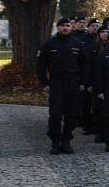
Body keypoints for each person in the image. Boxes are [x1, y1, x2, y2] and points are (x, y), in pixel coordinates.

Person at [36, 17, 88, 154]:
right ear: (58, 27)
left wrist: (83, 82)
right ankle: (55, 142)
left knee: (71, 114)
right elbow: (40, 65)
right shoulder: (49, 44)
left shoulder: (77, 43)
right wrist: (44, 83)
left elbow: (84, 65)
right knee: (55, 114)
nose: (66, 28)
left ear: (71, 27)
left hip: (73, 82)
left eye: (68, 25)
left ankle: (66, 141)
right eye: (63, 25)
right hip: (56, 82)